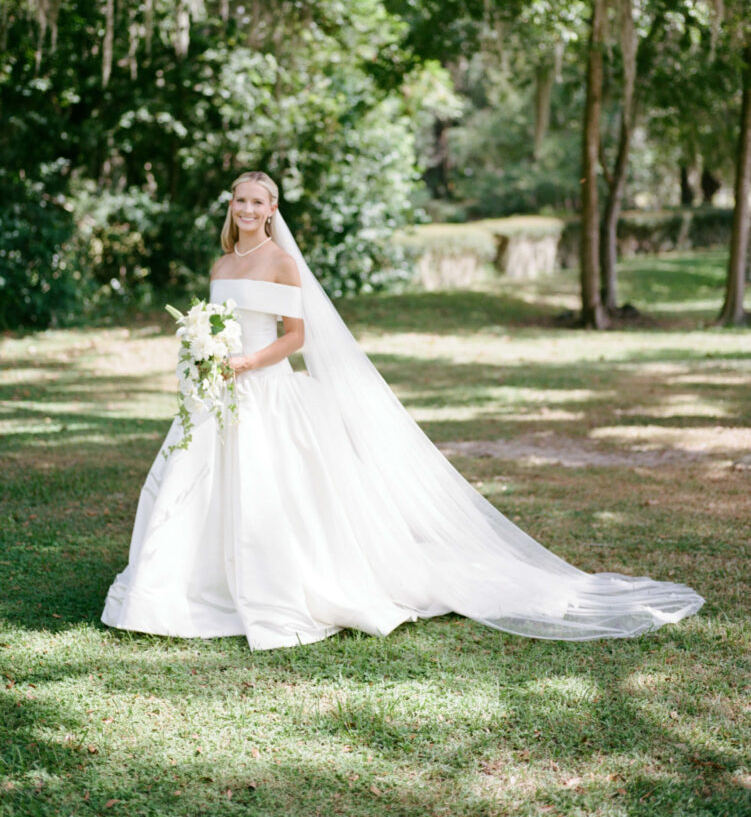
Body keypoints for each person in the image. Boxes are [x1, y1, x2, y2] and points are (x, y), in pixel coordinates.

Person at [101, 170, 704, 650]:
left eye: (258, 202)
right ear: (230, 206)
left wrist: (247, 362)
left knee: (272, 492)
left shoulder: (282, 263)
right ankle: (186, 587)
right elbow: (217, 325)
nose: (247, 210)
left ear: (272, 209)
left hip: (266, 389)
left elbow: (295, 337)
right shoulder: (222, 265)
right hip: (220, 395)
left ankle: (279, 586)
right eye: (240, 201)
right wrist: (206, 356)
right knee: (196, 485)